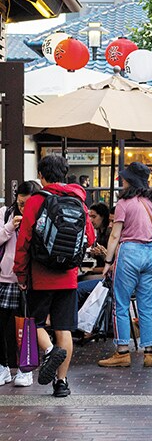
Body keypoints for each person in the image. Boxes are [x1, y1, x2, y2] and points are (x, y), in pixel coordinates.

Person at [13, 155, 95, 397]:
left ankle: (49, 351)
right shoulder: (78, 199)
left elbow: (24, 240)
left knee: (34, 322)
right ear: (65, 173)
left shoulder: (37, 200)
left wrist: (20, 272)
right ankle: (62, 383)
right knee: (64, 329)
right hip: (68, 276)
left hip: (40, 274)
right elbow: (90, 238)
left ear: (41, 175)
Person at [97, 162, 152, 368]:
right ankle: (149, 352)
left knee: (121, 303)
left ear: (131, 180)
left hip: (129, 253)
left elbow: (115, 234)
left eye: (125, 177)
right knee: (146, 305)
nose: (122, 180)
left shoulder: (124, 203)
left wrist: (108, 262)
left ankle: (122, 352)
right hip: (151, 253)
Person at [0, 181, 41, 388]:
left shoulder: (41, 216)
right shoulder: (5, 213)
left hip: (29, 279)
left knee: (26, 325)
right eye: (20, 203)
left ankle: (26, 369)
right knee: (2, 324)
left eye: (27, 204)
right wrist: (9, 227)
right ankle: (3, 367)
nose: (23, 208)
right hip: (5, 277)